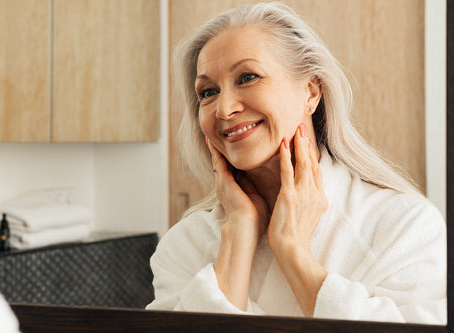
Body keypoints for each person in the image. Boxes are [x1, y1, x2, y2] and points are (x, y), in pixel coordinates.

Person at [146, 2, 446, 324]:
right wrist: (239, 235)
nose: (224, 108)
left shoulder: (403, 224)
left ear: (311, 91)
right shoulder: (183, 244)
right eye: (208, 92)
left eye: (247, 77)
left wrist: (293, 251)